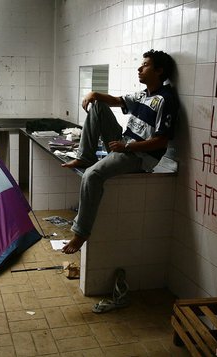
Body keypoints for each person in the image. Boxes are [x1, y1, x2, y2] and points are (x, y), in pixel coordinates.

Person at [61, 49, 179, 254]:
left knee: (92, 176)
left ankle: (81, 233)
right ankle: (84, 157)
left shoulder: (165, 99)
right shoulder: (144, 95)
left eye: (145, 65)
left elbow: (161, 141)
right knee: (98, 105)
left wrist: (128, 147)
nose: (140, 68)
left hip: (139, 156)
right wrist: (94, 94)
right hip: (124, 144)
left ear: (159, 71)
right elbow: (116, 101)